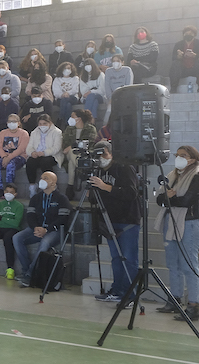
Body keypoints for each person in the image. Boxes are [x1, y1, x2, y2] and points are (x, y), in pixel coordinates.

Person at [84, 141, 140, 303]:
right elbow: (96, 198)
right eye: (98, 155)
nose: (101, 158)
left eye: (104, 154)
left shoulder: (124, 168)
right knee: (116, 258)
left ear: (111, 153)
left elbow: (131, 193)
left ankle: (129, 294)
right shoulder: (98, 171)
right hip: (109, 220)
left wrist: (105, 186)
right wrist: (91, 192)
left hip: (128, 219)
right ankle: (117, 290)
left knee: (129, 258)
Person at [156, 146, 199, 320]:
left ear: (193, 158)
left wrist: (169, 198)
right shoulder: (172, 175)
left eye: (184, 155)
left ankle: (194, 305)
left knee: (189, 265)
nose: (179, 158)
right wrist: (168, 198)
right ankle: (174, 299)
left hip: (188, 222)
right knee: (172, 264)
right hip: (170, 221)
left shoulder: (196, 175)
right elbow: (159, 199)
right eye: (177, 155)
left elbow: (188, 200)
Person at [13, 171, 71, 287]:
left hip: (55, 231)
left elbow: (63, 219)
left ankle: (30, 275)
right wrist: (36, 228)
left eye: (46, 178)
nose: (42, 180)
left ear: (53, 183)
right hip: (37, 228)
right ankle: (26, 270)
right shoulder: (35, 198)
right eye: (41, 178)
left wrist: (47, 229)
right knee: (17, 238)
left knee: (44, 243)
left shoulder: (62, 198)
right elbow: (30, 215)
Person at [60, 109, 98, 198]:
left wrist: (73, 145)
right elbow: (65, 144)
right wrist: (74, 146)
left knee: (71, 162)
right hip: (69, 154)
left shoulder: (90, 128)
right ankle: (81, 166)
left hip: (84, 154)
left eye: (73, 116)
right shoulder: (69, 129)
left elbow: (89, 143)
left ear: (79, 118)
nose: (70, 118)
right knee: (72, 152)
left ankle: (70, 187)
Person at [24, 115, 63, 198]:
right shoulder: (34, 132)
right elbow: (29, 147)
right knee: (30, 161)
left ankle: (51, 185)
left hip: (52, 155)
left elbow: (56, 148)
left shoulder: (57, 132)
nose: (42, 126)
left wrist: (44, 153)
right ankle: (32, 186)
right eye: (40, 124)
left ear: (50, 123)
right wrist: (32, 153)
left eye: (44, 123)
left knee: (45, 162)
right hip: (37, 154)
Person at [0, 114, 29, 197]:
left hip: (19, 157)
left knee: (10, 165)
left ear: (18, 123)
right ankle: (0, 189)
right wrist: (5, 157)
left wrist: (9, 158)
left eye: (14, 121)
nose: (11, 123)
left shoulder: (24, 133)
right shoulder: (2, 133)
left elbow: (21, 149)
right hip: (4, 156)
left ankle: (10, 189)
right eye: (10, 121)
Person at [53, 62, 82, 127]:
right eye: (65, 68)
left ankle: (60, 118)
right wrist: (62, 95)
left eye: (68, 68)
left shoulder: (75, 78)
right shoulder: (57, 79)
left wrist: (68, 93)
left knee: (65, 100)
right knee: (68, 105)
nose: (67, 70)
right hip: (60, 99)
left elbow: (75, 90)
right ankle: (67, 124)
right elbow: (56, 92)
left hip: (73, 98)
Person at [171, 26, 199, 92]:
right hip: (182, 69)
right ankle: (173, 87)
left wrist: (195, 55)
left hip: (195, 68)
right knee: (175, 63)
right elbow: (173, 57)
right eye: (186, 34)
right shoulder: (178, 44)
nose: (188, 35)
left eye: (190, 33)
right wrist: (179, 56)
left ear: (194, 35)